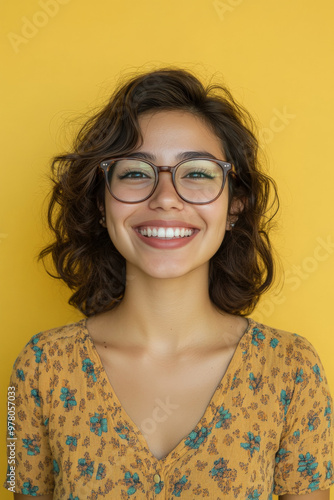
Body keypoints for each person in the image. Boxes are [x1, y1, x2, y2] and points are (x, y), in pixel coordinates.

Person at [4, 68, 333, 499]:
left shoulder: (293, 371)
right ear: (101, 203)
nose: (165, 197)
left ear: (235, 204)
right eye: (136, 172)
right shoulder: (37, 368)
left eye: (197, 173)